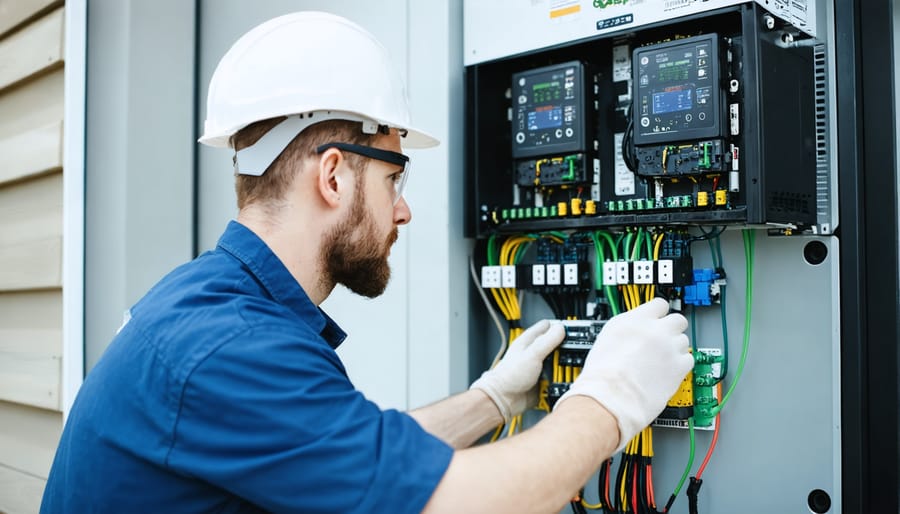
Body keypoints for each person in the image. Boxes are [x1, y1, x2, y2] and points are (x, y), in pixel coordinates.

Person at [41, 11, 692, 514]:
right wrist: (610, 400)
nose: (403, 213)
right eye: (394, 182)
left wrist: (490, 400)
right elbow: (461, 502)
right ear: (332, 177)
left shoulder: (213, 305)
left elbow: (341, 451)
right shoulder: (232, 347)